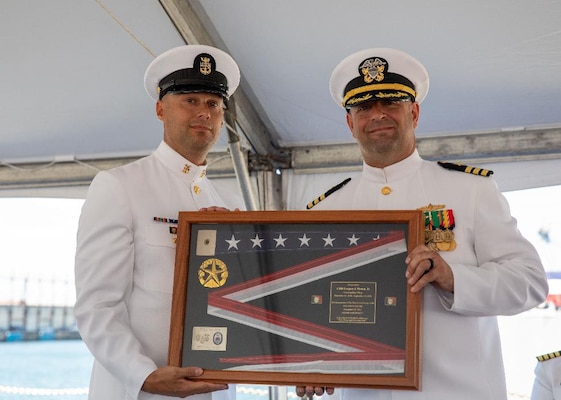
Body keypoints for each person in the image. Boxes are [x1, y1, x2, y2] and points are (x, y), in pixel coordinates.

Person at [299, 48, 548, 400]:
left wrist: (454, 279)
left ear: (413, 113)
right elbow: (311, 307)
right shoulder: (324, 211)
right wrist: (308, 361)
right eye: (364, 108)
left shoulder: (470, 189)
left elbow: (531, 282)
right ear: (350, 123)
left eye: (391, 103)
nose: (378, 115)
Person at [74, 45, 244, 400]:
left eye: (213, 104)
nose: (203, 113)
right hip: (138, 390)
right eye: (190, 100)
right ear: (160, 109)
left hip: (213, 389)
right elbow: (97, 305)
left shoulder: (230, 205)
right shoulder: (120, 186)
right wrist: (145, 375)